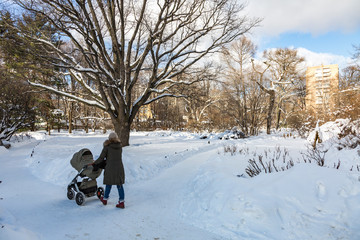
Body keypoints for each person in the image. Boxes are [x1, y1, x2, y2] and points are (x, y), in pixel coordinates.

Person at [93, 132, 125, 208]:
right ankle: (121, 202)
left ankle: (105, 199)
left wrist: (95, 163)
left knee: (108, 183)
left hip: (110, 168)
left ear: (109, 139)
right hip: (119, 167)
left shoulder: (107, 147)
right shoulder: (120, 146)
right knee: (119, 185)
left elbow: (101, 158)